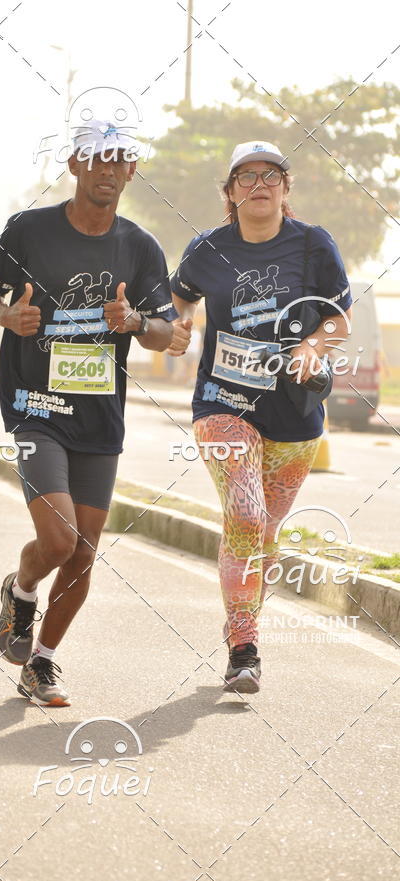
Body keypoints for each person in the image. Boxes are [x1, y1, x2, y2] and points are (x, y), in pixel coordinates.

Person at [0, 119, 190, 706]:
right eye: (96, 159)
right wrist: (6, 318)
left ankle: (40, 662)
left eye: (120, 159)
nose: (108, 169)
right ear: (74, 165)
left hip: (99, 418)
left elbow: (164, 332)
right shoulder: (29, 229)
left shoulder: (140, 246)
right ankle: (20, 592)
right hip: (34, 405)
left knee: (85, 550)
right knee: (60, 538)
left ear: (131, 169)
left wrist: (136, 323)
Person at [169, 140, 352, 693]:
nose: (259, 184)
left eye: (271, 175)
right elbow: (177, 305)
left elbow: (340, 322)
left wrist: (315, 346)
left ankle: (241, 629)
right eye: (245, 177)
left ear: (286, 189)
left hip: (296, 416)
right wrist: (175, 331)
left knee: (263, 533)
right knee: (246, 517)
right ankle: (244, 648)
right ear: (229, 192)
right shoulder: (206, 249)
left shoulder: (313, 246)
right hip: (224, 406)